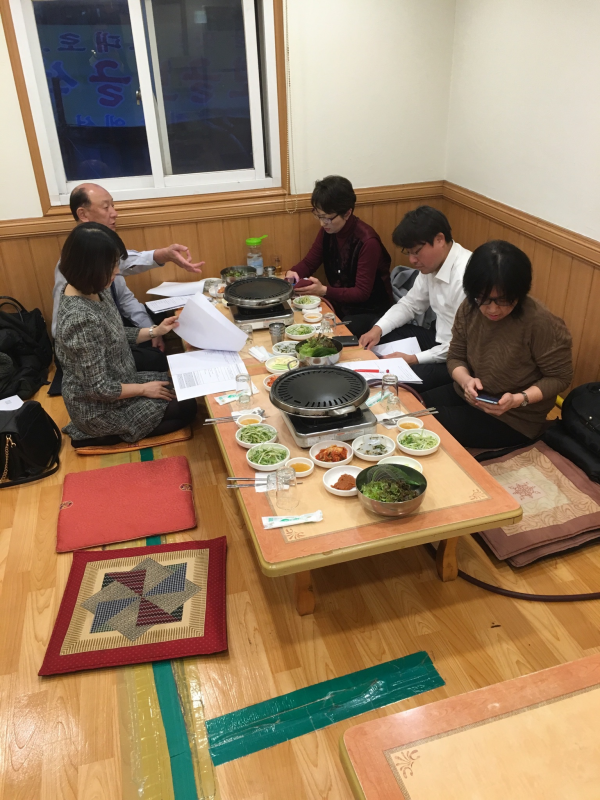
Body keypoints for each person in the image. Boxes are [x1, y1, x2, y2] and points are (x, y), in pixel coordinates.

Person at [55, 223, 197, 446]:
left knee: (185, 388)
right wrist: (143, 389)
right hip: (99, 408)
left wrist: (155, 331)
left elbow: (114, 334)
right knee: (186, 407)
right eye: (112, 265)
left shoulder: (95, 289)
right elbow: (98, 388)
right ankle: (97, 435)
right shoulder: (79, 319)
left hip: (121, 381)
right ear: (90, 266)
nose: (117, 271)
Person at [421, 240, 573, 449]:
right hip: (470, 396)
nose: (492, 309)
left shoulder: (540, 322)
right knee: (413, 408)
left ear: (519, 292)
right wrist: (466, 381)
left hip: (514, 417)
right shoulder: (469, 307)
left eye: (503, 300)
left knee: (428, 427)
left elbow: (560, 377)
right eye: (483, 299)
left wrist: (519, 399)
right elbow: (456, 356)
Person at [51, 183, 205, 373]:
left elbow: (124, 300)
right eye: (106, 207)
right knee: (155, 361)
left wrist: (152, 331)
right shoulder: (80, 267)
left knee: (161, 319)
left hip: (110, 331)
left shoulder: (105, 257)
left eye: (113, 205)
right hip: (89, 351)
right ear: (83, 214)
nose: (114, 213)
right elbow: (78, 339)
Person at [359, 206, 471, 392]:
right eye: (408, 253)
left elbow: (464, 346)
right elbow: (410, 304)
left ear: (440, 239)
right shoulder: (432, 265)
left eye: (416, 252)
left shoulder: (465, 278)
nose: (412, 260)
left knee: (400, 380)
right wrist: (377, 329)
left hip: (459, 357)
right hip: (438, 339)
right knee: (378, 331)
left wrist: (413, 359)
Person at [285, 176, 393, 337]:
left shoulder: (367, 241)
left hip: (369, 312)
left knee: (331, 335)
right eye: (318, 215)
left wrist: (324, 290)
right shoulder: (328, 231)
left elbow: (361, 292)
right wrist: (294, 272)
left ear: (347, 213)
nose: (322, 223)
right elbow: (309, 262)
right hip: (341, 306)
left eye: (327, 218)